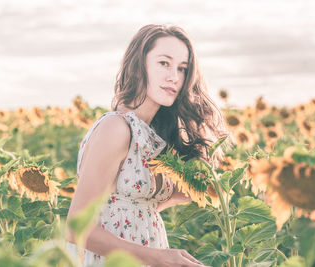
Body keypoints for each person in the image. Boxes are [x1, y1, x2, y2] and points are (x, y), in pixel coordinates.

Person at [66, 24, 226, 267]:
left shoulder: (150, 135)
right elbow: (76, 228)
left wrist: (186, 190)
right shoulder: (116, 128)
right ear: (139, 64)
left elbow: (133, 209)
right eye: (164, 63)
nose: (174, 77)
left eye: (182, 69)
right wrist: (160, 257)